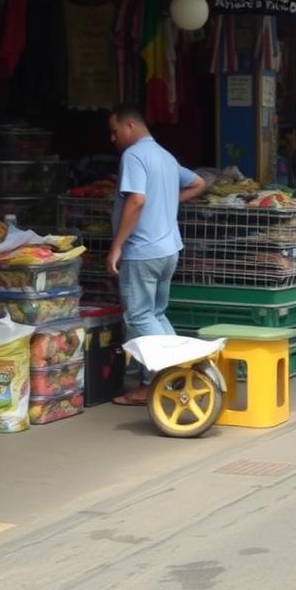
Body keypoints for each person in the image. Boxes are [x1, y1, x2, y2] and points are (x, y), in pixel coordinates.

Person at [105, 104, 206, 406]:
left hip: (143, 250)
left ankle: (162, 379)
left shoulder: (134, 155)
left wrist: (117, 246)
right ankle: (178, 370)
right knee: (156, 314)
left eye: (114, 131)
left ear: (130, 126)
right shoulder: (165, 155)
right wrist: (167, 201)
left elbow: (135, 201)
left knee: (138, 315)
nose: (113, 139)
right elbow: (199, 183)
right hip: (168, 249)